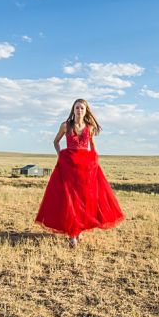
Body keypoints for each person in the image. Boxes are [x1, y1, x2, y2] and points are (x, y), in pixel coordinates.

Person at [35, 98, 125, 247]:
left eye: (82, 108)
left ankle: (79, 228)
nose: (79, 110)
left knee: (83, 200)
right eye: (77, 108)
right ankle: (72, 235)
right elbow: (55, 141)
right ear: (73, 109)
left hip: (85, 168)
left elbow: (92, 147)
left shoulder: (89, 128)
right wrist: (60, 155)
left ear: (86, 110)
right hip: (68, 166)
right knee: (70, 199)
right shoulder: (65, 125)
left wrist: (94, 162)